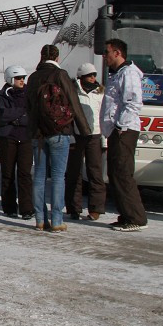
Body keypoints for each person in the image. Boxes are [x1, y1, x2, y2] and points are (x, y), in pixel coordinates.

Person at [25, 44, 91, 232]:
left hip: (38, 135)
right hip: (59, 132)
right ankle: (56, 220)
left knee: (38, 175)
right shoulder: (61, 75)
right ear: (57, 57)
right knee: (57, 177)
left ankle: (39, 219)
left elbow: (28, 107)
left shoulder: (33, 78)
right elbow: (74, 102)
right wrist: (84, 130)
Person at [100, 38, 148, 232]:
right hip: (116, 130)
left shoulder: (128, 73)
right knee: (115, 173)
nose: (104, 56)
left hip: (124, 130)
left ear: (117, 53)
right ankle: (126, 214)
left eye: (107, 52)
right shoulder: (117, 74)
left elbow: (134, 102)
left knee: (122, 173)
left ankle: (136, 217)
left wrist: (121, 125)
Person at [64, 62, 107, 221]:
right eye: (89, 75)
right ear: (81, 77)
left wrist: (104, 139)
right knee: (74, 173)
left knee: (95, 172)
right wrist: (72, 137)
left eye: (94, 75)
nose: (93, 78)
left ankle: (96, 209)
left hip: (95, 135)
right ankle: (74, 207)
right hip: (77, 134)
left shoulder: (100, 93)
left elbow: (103, 116)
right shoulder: (74, 92)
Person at [0, 65, 34, 219]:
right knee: (8, 174)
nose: (22, 80)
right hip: (7, 138)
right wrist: (21, 113)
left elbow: (32, 115)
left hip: (25, 138)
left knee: (25, 174)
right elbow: (2, 114)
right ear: (10, 79)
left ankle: (27, 209)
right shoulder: (2, 95)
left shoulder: (30, 94)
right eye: (18, 78)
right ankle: (9, 207)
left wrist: (16, 117)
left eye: (23, 78)